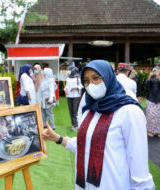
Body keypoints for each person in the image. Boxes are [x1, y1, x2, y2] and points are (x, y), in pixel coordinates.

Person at [43, 60, 155, 190]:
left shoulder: (129, 112)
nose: (91, 85)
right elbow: (85, 145)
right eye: (86, 81)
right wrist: (59, 138)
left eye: (96, 78)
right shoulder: (90, 109)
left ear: (108, 77)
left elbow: (140, 175)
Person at [64, 66, 83, 131]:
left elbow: (82, 86)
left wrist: (75, 87)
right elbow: (66, 86)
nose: (68, 71)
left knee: (75, 111)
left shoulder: (78, 78)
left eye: (69, 70)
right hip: (69, 96)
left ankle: (76, 125)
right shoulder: (68, 78)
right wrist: (65, 90)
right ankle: (73, 124)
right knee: (71, 111)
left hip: (76, 96)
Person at [145, 65, 160, 138]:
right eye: (155, 70)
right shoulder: (150, 77)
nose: (156, 71)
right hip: (151, 98)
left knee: (158, 116)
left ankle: (158, 131)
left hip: (159, 99)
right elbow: (147, 85)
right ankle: (149, 130)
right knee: (150, 115)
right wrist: (149, 78)